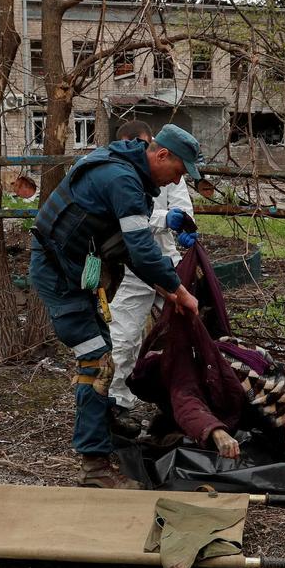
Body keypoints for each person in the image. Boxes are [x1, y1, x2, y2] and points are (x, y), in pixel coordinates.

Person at [29, 123, 202, 489]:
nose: (176, 182)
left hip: (78, 273)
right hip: (59, 275)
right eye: (179, 171)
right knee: (97, 362)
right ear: (161, 155)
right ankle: (94, 468)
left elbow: (134, 253)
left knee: (104, 349)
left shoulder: (134, 178)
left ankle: (104, 420)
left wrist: (170, 290)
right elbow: (141, 248)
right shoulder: (121, 178)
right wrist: (179, 290)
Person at [107, 120, 198, 437]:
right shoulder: (122, 174)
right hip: (136, 264)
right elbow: (131, 220)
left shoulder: (170, 167)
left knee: (188, 328)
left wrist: (184, 227)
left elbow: (181, 205)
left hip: (168, 262)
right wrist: (164, 219)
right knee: (124, 335)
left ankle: (190, 399)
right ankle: (115, 403)